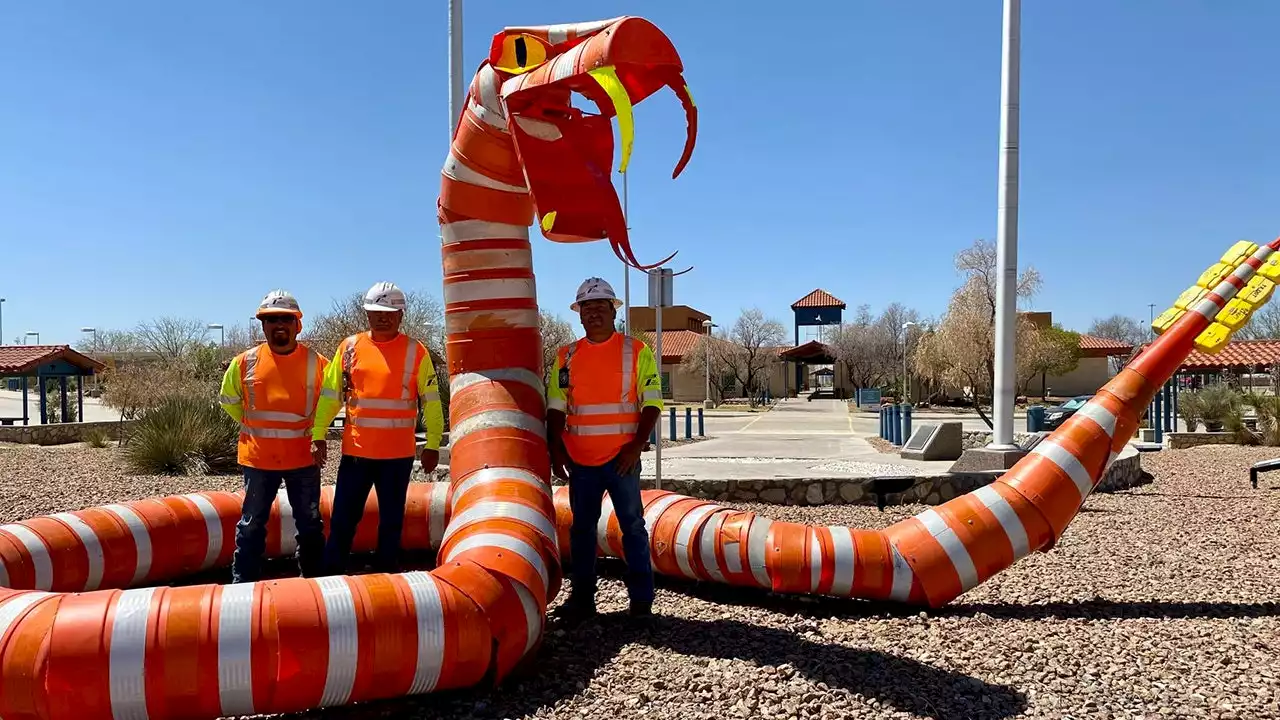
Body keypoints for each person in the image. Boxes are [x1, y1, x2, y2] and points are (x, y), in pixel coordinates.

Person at [546, 277, 663, 620]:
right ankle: (583, 599)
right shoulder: (565, 357)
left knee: (632, 528)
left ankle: (641, 602)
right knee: (582, 530)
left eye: (600, 307)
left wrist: (636, 447)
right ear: (579, 315)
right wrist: (556, 448)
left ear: (613, 312)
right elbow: (556, 405)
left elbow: (652, 403)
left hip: (622, 459)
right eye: (587, 307)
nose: (594, 313)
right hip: (580, 460)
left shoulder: (637, 352)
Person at [312, 281, 444, 574]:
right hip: (357, 453)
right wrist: (318, 433)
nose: (382, 317)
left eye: (390, 312)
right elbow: (331, 395)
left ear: (401, 314)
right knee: (345, 516)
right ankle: (331, 572)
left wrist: (433, 444)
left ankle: (386, 573)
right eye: (376, 311)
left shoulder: (416, 352)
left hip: (398, 457)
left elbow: (432, 403)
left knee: (392, 519)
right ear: (366, 313)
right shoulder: (349, 348)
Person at [218, 289, 328, 583]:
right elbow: (228, 400)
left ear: (298, 324)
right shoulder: (244, 362)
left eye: (285, 318)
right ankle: (243, 587)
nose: (279, 324)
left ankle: (315, 586)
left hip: (303, 459)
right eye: (271, 319)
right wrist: (253, 426)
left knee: (309, 523)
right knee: (252, 524)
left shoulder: (317, 364)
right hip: (258, 459)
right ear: (263, 325)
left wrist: (318, 434)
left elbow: (332, 402)